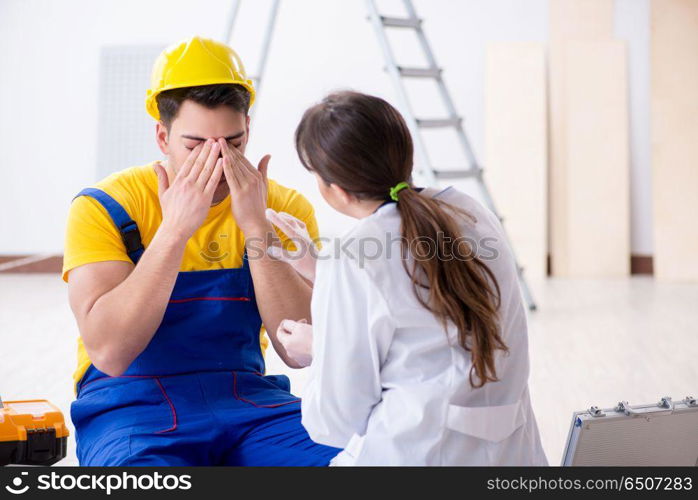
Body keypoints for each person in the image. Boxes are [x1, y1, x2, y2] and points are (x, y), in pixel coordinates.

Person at [63, 36, 340, 466]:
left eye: (234, 143)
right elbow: (110, 353)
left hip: (248, 400)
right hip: (129, 409)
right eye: (196, 147)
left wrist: (257, 229)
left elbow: (297, 349)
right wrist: (174, 231)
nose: (219, 163)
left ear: (249, 129)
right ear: (162, 136)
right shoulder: (105, 207)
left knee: (354, 463)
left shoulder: (282, 208)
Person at [267, 91, 549, 466]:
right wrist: (321, 271)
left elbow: (333, 423)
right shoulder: (468, 211)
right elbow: (428, 317)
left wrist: (322, 349)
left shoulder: (352, 258)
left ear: (331, 188)